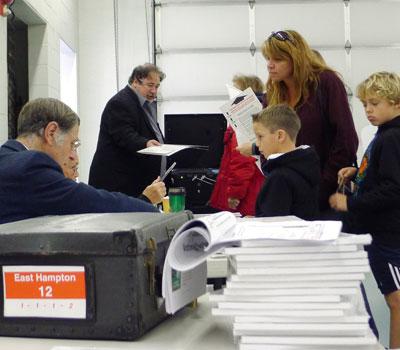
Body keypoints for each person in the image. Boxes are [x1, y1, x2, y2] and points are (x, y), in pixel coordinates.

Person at [237, 30, 358, 215]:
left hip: (325, 193)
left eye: (277, 59)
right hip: (284, 191)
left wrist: (322, 186)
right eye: (268, 58)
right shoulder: (273, 94)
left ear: (296, 58)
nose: (269, 65)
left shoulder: (326, 83)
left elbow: (345, 140)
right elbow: (268, 139)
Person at [0, 98, 167, 225]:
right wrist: (148, 207)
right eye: (73, 144)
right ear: (51, 133)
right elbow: (94, 202)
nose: (74, 156)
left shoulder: (7, 157)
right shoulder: (30, 167)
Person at [329, 72, 400, 349]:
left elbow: (395, 188)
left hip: (387, 233)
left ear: (396, 103)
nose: (368, 110)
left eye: (375, 103)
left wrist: (351, 202)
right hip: (382, 232)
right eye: (365, 105)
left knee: (395, 299)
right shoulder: (384, 134)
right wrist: (357, 173)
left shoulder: (392, 138)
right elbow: (382, 174)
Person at [89, 63, 167, 197]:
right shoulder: (120, 102)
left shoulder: (146, 105)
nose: (154, 91)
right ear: (136, 81)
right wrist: (146, 144)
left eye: (157, 86)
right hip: (117, 183)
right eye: (150, 85)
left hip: (133, 182)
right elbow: (124, 135)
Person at [209, 74, 265, 216]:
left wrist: (234, 193)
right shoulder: (261, 117)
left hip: (245, 197)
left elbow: (242, 161)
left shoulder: (243, 121)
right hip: (255, 190)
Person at [252, 104, 319, 219]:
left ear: (280, 136)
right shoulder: (306, 165)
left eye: (260, 136)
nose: (257, 144)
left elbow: (271, 224)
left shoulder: (279, 177)